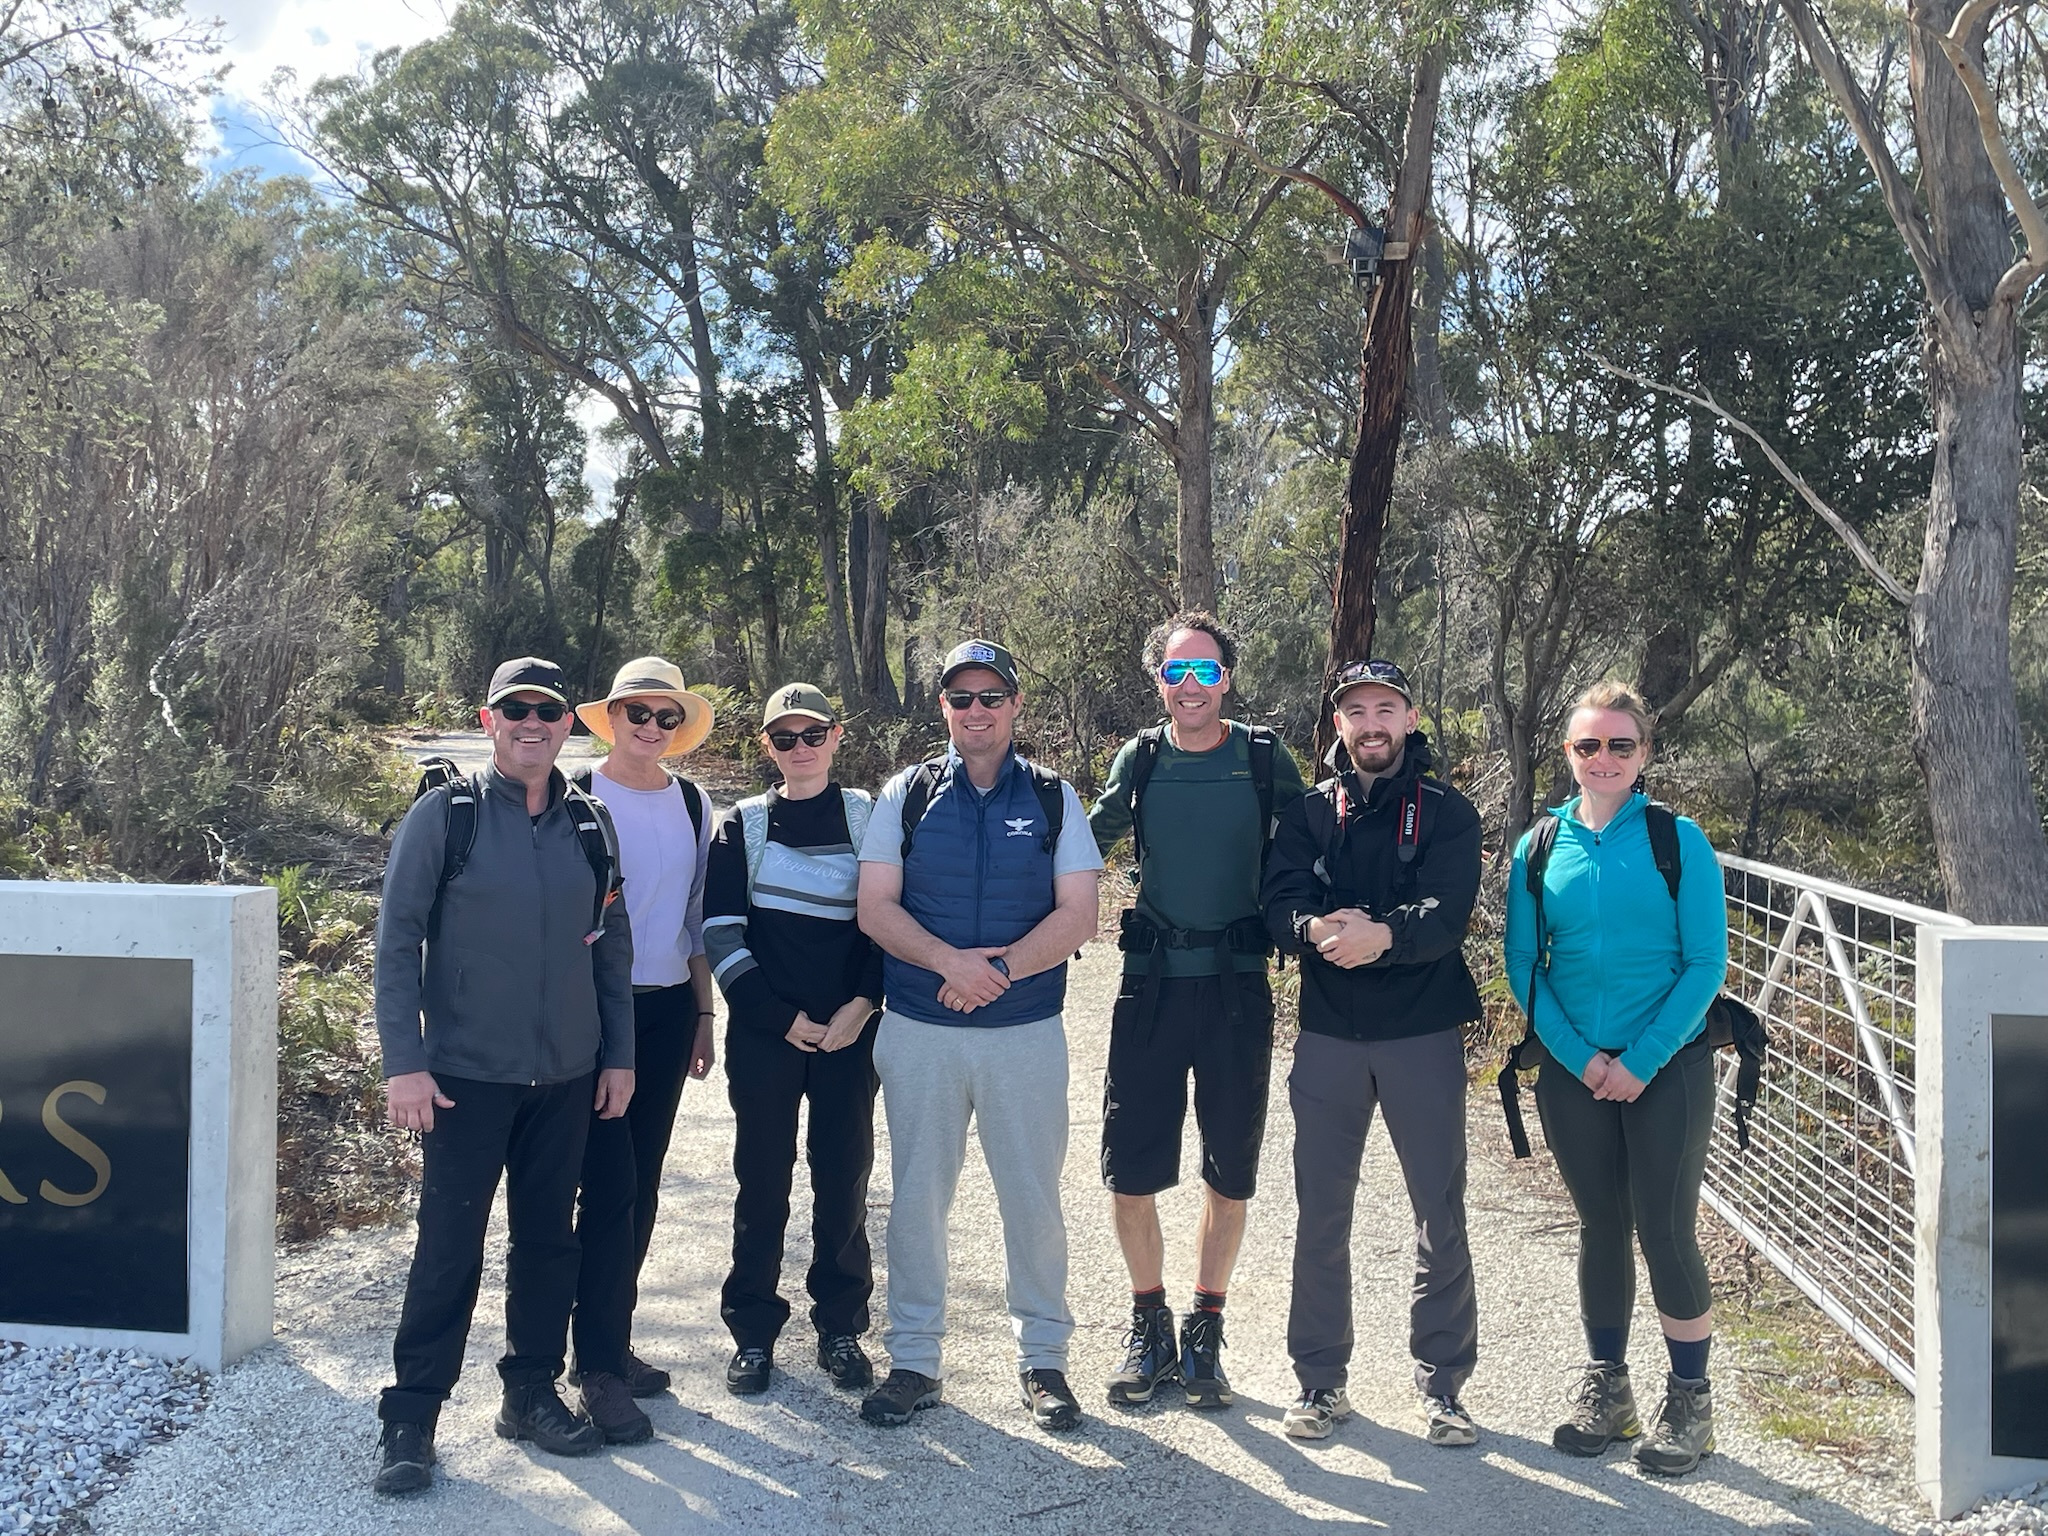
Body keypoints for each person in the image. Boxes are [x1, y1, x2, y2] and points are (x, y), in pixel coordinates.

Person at [370, 657, 635, 1495]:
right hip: (461, 1079)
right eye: (514, 709)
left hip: (565, 1078)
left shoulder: (591, 824)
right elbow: (396, 942)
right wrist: (404, 1064)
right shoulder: (445, 817)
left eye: (548, 710)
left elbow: (612, 948)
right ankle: (411, 1419)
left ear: (568, 724)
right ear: (488, 721)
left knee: (548, 1244)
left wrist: (618, 1054)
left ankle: (529, 1393)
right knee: (449, 1250)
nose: (532, 722)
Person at [854, 639, 1103, 1432]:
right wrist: (947, 964)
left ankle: (1044, 1362)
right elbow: (876, 907)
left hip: (1023, 1032)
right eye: (961, 698)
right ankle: (916, 1361)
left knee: (1031, 1200)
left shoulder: (1058, 799)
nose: (976, 711)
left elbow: (1079, 914)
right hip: (920, 1032)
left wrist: (994, 970)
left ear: (1015, 705)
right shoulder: (907, 794)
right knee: (918, 1202)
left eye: (991, 696)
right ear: (944, 710)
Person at [1503, 679, 1729, 1476]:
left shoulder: (1679, 841)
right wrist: (1583, 1060)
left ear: (1643, 755)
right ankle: (1610, 1391)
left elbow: (1706, 964)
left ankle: (1691, 1405)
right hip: (1573, 1072)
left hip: (1669, 1068)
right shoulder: (1538, 848)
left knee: (1666, 1231)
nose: (1604, 758)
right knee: (1602, 1227)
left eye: (1620, 745)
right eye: (1588, 745)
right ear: (1568, 755)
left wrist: (1640, 1061)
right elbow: (1523, 968)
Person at [1261, 659, 1484, 1447]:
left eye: (1385, 707)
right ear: (1338, 727)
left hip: (1421, 1034)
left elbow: (1445, 912)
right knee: (1321, 1213)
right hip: (1328, 1035)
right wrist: (1317, 931)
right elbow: (1280, 899)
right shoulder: (1309, 812)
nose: (1371, 722)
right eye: (1355, 710)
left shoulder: (1450, 813)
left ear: (1411, 716)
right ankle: (1320, 1384)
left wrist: (1383, 936)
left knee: (1440, 1213)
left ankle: (1444, 1388)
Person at [1086, 611, 1306, 1409]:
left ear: (1227, 679)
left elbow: (1319, 833)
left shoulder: (1260, 757)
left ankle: (1205, 1329)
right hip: (1150, 987)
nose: (1190, 687)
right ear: (1158, 682)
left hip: (1238, 988)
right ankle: (1150, 1327)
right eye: (1176, 673)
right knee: (1131, 1168)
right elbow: (1085, 841)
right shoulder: (1139, 760)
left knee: (1230, 1169)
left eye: (1205, 672)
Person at [702, 685, 883, 1397]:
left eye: (813, 734)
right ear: (767, 746)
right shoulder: (741, 825)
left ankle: (840, 1327)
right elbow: (720, 932)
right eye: (785, 738)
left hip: (849, 1033)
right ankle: (752, 1332)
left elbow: (886, 920)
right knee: (763, 1182)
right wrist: (778, 1017)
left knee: (843, 1179)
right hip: (766, 1034)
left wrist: (864, 1006)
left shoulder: (870, 818)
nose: (800, 748)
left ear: (837, 737)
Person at [563, 657, 719, 1444]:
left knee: (642, 1181)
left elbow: (694, 920)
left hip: (663, 1015)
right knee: (603, 1183)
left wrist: (703, 1010)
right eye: (638, 715)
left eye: (666, 719)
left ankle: (610, 1339)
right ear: (611, 718)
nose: (651, 730)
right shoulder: (574, 796)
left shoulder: (694, 803)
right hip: (590, 1016)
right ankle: (589, 1365)